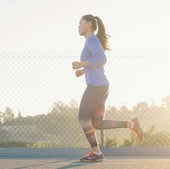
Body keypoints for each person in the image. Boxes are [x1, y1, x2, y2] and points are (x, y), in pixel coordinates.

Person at [72, 14, 143, 162]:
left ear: (89, 25)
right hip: (102, 86)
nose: (78, 26)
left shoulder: (91, 40)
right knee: (97, 123)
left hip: (96, 87)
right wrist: (83, 71)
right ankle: (131, 124)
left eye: (81, 23)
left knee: (83, 118)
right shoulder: (91, 41)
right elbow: (97, 62)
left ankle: (96, 153)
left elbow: (102, 59)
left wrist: (82, 64)